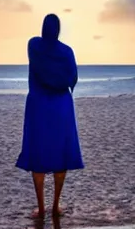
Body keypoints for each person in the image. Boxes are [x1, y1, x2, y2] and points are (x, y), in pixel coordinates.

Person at [16, 14, 84, 218]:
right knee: (60, 153)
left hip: (38, 104)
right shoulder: (66, 51)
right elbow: (73, 77)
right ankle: (55, 206)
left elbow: (41, 67)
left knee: (38, 153)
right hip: (61, 105)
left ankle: (42, 208)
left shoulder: (34, 45)